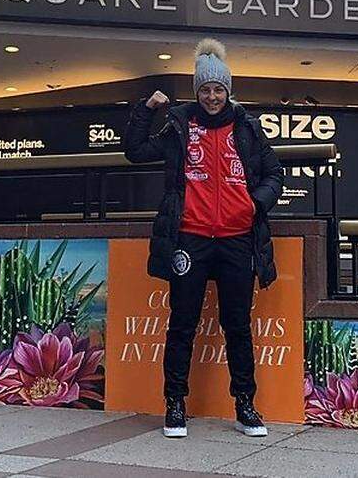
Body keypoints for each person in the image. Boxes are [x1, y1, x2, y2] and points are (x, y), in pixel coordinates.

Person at [124, 38, 284, 440]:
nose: (212, 96)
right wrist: (147, 110)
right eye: (206, 89)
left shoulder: (247, 127)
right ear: (198, 91)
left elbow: (274, 175)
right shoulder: (179, 126)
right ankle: (174, 404)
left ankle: (245, 405)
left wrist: (254, 206)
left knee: (237, 326)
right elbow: (135, 151)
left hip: (237, 240)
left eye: (219, 89)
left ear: (228, 91)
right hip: (189, 239)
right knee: (182, 324)